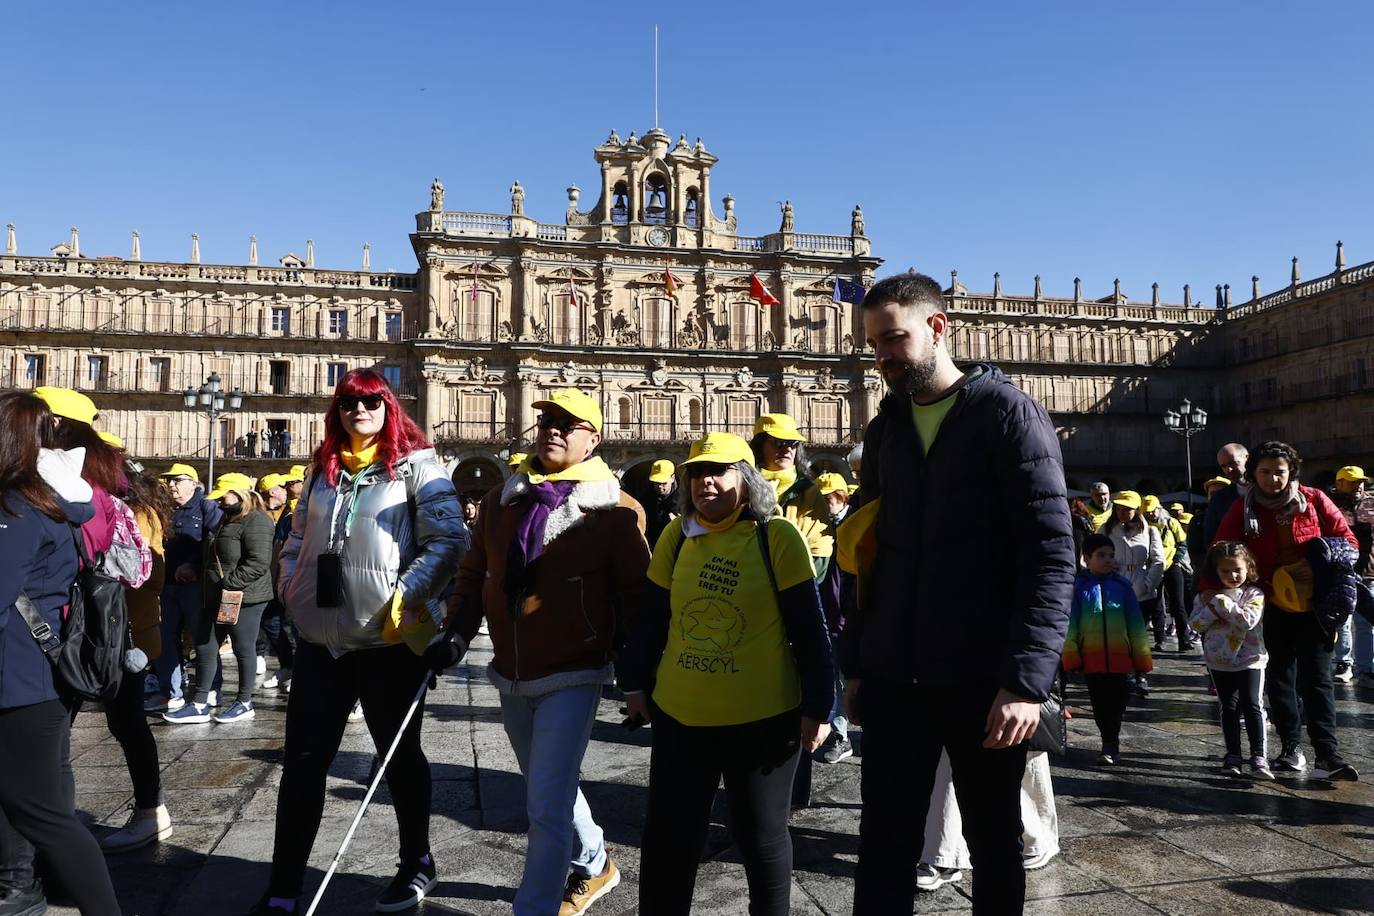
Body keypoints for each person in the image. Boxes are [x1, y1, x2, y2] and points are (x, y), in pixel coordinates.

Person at [843, 272, 1074, 915]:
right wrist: (857, 661)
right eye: (875, 344)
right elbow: (867, 553)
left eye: (894, 339)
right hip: (894, 676)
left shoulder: (1005, 413)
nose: (883, 356)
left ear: (938, 327)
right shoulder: (886, 427)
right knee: (884, 846)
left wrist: (1027, 682)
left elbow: (1051, 554)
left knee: (994, 846)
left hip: (982, 679)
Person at [255, 368, 467, 915]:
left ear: (388, 407)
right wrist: (289, 582)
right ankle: (283, 887)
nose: (359, 410)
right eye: (348, 401)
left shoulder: (419, 467)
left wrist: (404, 596)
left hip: (389, 643)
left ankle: (416, 862)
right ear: (337, 410)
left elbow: (448, 540)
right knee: (302, 764)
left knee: (399, 759)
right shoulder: (320, 470)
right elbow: (297, 534)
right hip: (323, 643)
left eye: (371, 400)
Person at [447, 388, 649, 916]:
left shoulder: (616, 510)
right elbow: (474, 576)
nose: (554, 430)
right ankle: (597, 862)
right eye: (547, 421)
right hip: (510, 670)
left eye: (569, 423)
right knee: (548, 785)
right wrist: (457, 632)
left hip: (574, 670)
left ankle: (532, 908)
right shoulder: (501, 501)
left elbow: (635, 599)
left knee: (544, 804)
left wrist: (636, 679)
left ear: (594, 438)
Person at [619, 432, 834, 916]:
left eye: (718, 471)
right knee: (669, 839)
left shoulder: (776, 536)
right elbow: (652, 617)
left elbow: (809, 628)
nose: (705, 481)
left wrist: (819, 705)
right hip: (681, 715)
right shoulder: (675, 536)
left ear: (747, 478)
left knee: (761, 838)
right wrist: (634, 683)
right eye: (696, 472)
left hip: (763, 719)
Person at [0, 391, 121, 914]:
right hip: (31, 675)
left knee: (42, 812)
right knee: (31, 804)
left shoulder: (17, 509)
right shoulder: (39, 502)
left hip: (19, 679)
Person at [1207, 440, 1359, 781]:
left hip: (1315, 604)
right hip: (1268, 604)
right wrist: (1211, 592)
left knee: (1318, 679)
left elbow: (1348, 541)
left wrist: (1317, 560)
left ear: (1292, 472)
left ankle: (1327, 753)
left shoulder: (1315, 500)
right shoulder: (1241, 508)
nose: (1273, 479)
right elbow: (1220, 549)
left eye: (1280, 472)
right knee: (1280, 679)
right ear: (1254, 473)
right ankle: (1291, 748)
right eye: (1265, 472)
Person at [749, 413, 833, 807]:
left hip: (795, 602)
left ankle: (795, 789)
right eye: (777, 442)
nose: (785, 449)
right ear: (760, 444)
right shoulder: (743, 487)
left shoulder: (809, 491)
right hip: (748, 606)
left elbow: (819, 550)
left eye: (791, 444)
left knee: (798, 696)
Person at [98, 467, 176, 851]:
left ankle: (150, 811)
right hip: (115, 633)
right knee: (125, 723)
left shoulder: (134, 513)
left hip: (125, 634)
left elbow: (147, 575)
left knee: (128, 724)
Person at [165, 473, 274, 725]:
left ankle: (245, 702)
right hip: (217, 595)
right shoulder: (227, 518)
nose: (219, 501)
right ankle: (200, 703)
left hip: (244, 597)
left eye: (224, 495)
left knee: (242, 647)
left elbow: (258, 563)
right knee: (205, 644)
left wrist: (227, 584)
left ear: (239, 493)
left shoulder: (257, 520)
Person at [1062, 533, 1152, 764]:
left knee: (1118, 702)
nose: (1108, 559)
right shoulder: (1079, 588)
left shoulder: (1123, 587)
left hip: (1120, 658)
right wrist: (1071, 655)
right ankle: (1108, 743)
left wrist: (1141, 658)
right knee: (1100, 704)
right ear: (1087, 558)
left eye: (1111, 555)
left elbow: (1135, 624)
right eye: (1101, 555)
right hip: (1092, 659)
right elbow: (1071, 623)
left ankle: (1112, 738)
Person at [1190, 541, 1270, 779]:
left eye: (1237, 569)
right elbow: (1195, 624)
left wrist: (1221, 605)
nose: (1232, 575)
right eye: (1225, 571)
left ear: (1248, 567)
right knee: (1229, 707)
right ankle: (1233, 754)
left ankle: (1259, 756)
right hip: (1219, 660)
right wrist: (1211, 609)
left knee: (1252, 705)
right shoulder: (1206, 596)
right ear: (1215, 571)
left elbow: (1247, 620)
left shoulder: (1253, 593)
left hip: (1250, 658)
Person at [148, 463, 223, 712]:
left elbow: (218, 544)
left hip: (195, 587)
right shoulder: (166, 509)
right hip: (166, 584)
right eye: (169, 480)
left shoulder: (206, 507)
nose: (171, 485)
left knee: (203, 639)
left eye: (177, 480)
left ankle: (211, 688)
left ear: (193, 483)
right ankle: (170, 692)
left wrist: (195, 565)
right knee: (166, 638)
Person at [1104, 491, 1165, 680]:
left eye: (1128, 509)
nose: (1123, 513)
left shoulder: (1150, 531)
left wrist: (1147, 585)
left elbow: (1158, 561)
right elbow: (1094, 554)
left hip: (1141, 588)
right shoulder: (1106, 530)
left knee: (1138, 635)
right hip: (1115, 588)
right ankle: (1123, 672)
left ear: (1136, 510)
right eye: (1119, 509)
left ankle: (1140, 674)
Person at [814, 472, 854, 763]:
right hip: (828, 614)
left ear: (842, 497)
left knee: (847, 677)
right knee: (834, 679)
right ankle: (841, 736)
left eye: (829, 499)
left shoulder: (854, 525)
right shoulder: (819, 528)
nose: (826, 504)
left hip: (849, 616)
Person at [1330, 466, 1372, 685]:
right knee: (1342, 621)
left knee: (1366, 622)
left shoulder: (1372, 503)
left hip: (1369, 571)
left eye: (1360, 481)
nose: (1358, 486)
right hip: (1341, 571)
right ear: (1339, 484)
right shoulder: (1332, 507)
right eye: (1352, 481)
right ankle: (1344, 662)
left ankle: (1365, 668)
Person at [1145, 494, 1194, 652]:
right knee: (1156, 605)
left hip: (1172, 566)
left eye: (1152, 511)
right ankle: (1160, 640)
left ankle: (1184, 640)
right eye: (1147, 512)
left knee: (1178, 604)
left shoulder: (1171, 523)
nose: (1150, 514)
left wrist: (1177, 560)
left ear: (1159, 509)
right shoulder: (1144, 525)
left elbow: (1182, 542)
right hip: (1154, 567)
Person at [1201, 443, 1249, 549]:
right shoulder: (1219, 500)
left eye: (1232, 463)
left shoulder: (1267, 489)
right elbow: (1211, 539)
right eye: (1224, 466)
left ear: (1247, 458)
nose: (1229, 470)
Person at [643, 458, 679, 549]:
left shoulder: (685, 498)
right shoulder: (646, 496)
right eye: (656, 483)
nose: (659, 486)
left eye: (663, 483)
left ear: (672, 478)